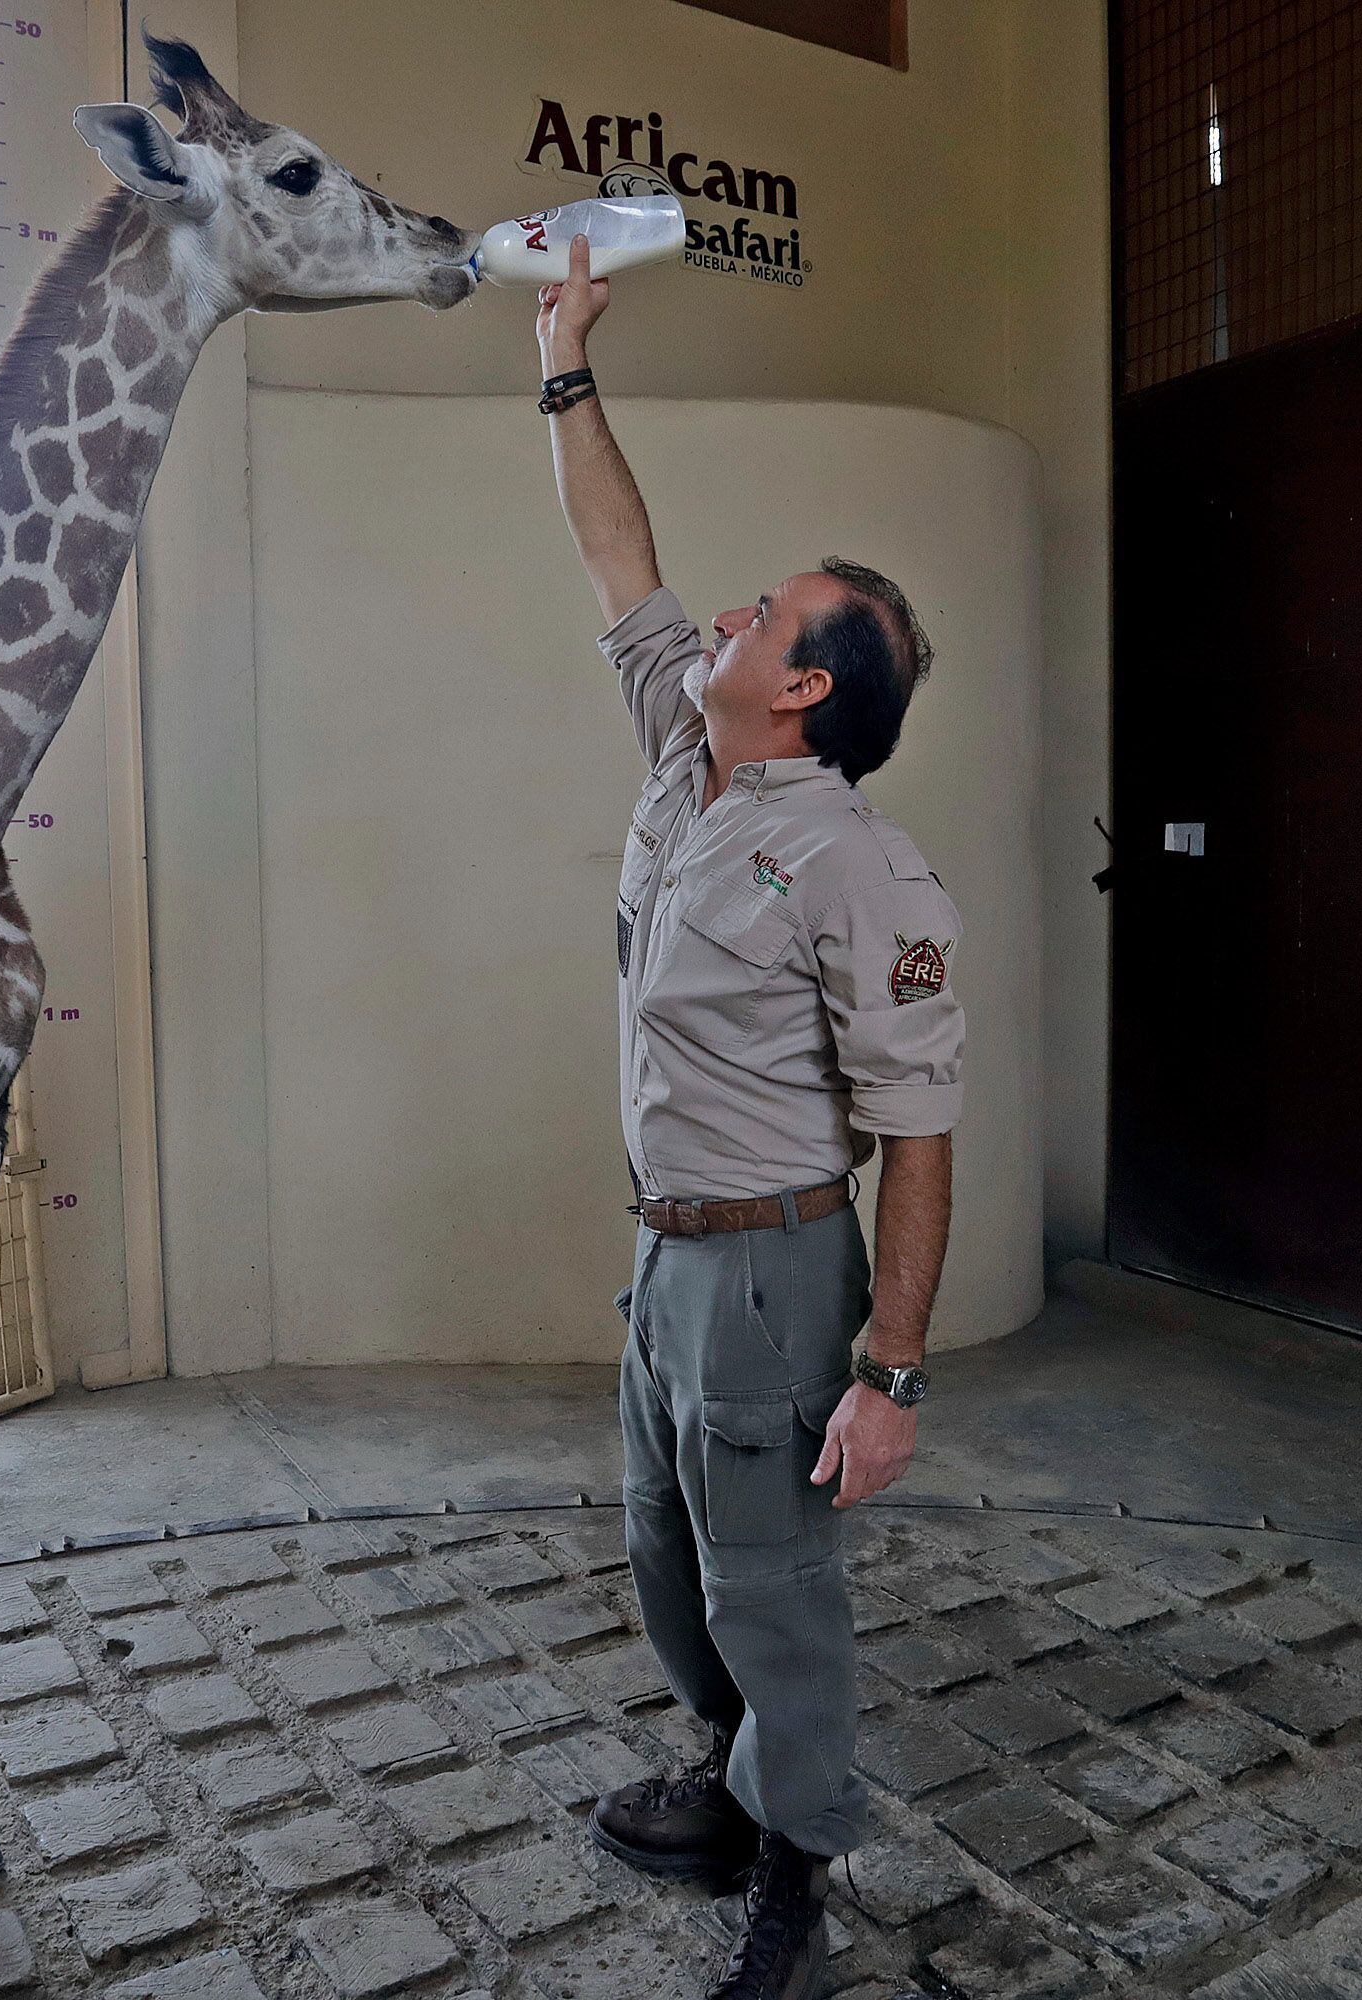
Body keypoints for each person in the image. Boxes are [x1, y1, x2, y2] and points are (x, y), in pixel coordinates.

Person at [535, 232, 964, 2000]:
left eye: (766, 617)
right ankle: (730, 1783)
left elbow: (922, 1136)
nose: (725, 612)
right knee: (664, 1549)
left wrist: (891, 1372)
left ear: (803, 689)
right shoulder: (680, 756)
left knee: (772, 1583)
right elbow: (616, 548)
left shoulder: (864, 868)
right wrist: (565, 357)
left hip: (782, 1276)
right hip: (665, 1261)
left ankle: (795, 1878)